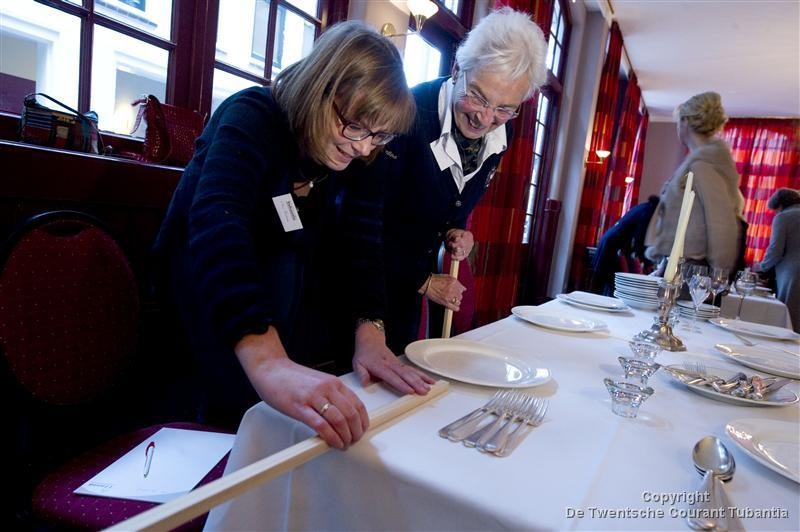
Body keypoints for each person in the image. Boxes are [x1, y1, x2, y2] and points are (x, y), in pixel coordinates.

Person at [153, 21, 433, 449]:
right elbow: (217, 226)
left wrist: (371, 332)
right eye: (354, 126)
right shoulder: (252, 116)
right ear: (320, 90)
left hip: (273, 335)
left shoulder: (366, 151)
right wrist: (269, 362)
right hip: (202, 330)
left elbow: (364, 241)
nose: (362, 147)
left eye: (379, 135)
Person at [351, 7, 547, 353]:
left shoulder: (503, 133)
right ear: (457, 70)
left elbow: (452, 204)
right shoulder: (406, 115)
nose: (485, 118)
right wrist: (424, 280)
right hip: (356, 289)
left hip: (407, 298)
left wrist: (458, 231)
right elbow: (359, 219)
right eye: (478, 96)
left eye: (505, 108)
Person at [645, 91, 745, 275]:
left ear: (685, 122)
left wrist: (718, 274)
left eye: (678, 121)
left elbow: (721, 222)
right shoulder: (701, 162)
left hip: (691, 269)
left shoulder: (703, 165)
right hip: (683, 264)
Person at [752, 188, 800, 333]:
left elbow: (775, 251)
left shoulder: (784, 217)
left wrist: (761, 267)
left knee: (791, 323)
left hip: (793, 275)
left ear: (779, 205)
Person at [592, 195, 659, 295]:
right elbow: (639, 239)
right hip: (611, 247)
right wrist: (647, 262)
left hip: (609, 243)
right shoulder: (648, 212)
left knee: (609, 286)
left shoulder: (644, 207)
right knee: (613, 287)